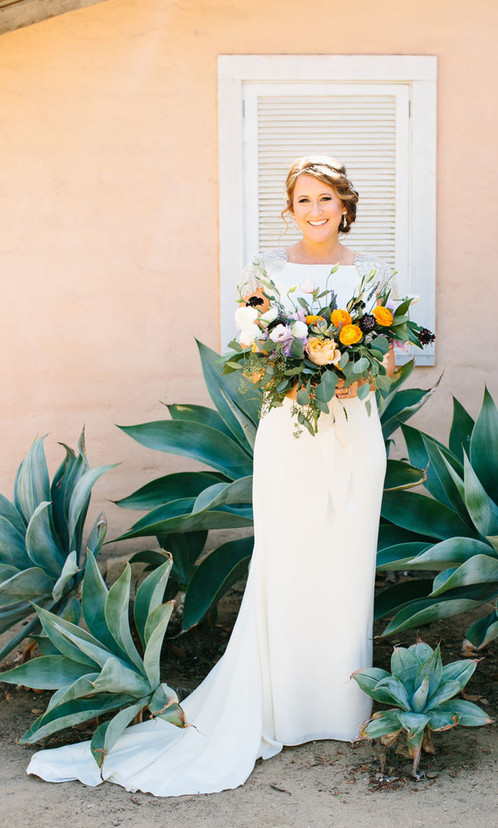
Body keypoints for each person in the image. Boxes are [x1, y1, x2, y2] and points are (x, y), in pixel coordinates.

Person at [26, 156, 394, 796]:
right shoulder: (265, 275)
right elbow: (253, 356)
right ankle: (283, 706)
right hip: (291, 431)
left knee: (345, 559)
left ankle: (342, 707)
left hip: (353, 430)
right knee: (288, 559)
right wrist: (297, 377)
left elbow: (386, 357)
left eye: (326, 199)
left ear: (345, 206)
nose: (315, 211)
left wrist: (353, 379)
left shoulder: (373, 275)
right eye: (303, 200)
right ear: (291, 209)